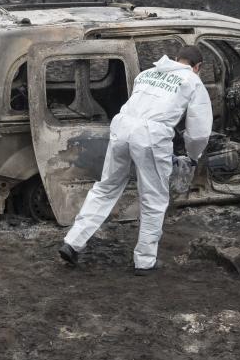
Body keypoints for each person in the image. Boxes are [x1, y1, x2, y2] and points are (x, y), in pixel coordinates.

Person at [58, 45, 213, 274]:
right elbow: (199, 132)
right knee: (154, 198)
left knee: (106, 188)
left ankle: (72, 242)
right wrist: (192, 156)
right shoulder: (192, 81)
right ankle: (145, 261)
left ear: (177, 57)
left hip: (122, 127)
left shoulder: (147, 73)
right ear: (197, 67)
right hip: (151, 134)